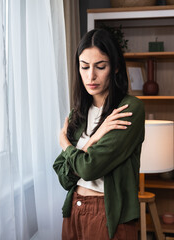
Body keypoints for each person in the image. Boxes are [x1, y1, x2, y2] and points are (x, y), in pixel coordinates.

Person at [53, 28, 145, 239]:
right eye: (84, 67)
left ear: (115, 68)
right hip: (73, 210)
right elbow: (63, 177)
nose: (90, 76)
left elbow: (89, 168)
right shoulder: (78, 114)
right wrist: (94, 138)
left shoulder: (128, 109)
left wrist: (66, 145)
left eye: (100, 66)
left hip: (107, 213)